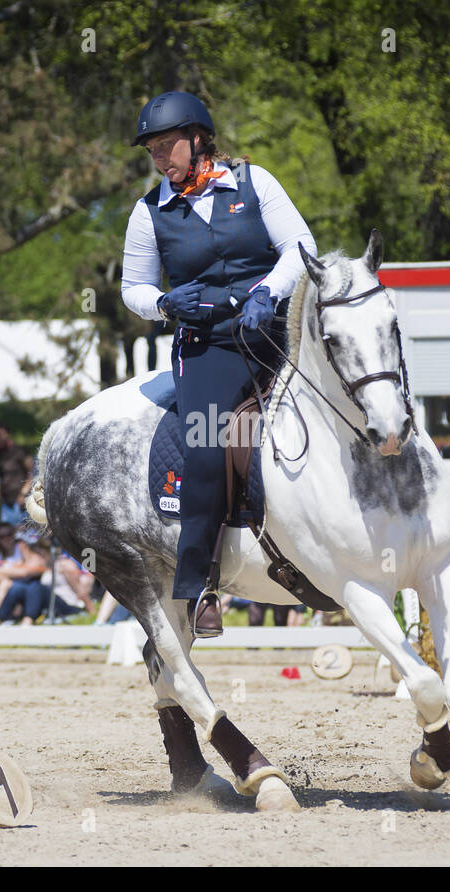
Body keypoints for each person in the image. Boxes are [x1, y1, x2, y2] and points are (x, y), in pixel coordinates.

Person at [121, 91, 316, 637]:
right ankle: (200, 582)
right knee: (206, 443)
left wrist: (269, 293)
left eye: (167, 145)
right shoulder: (149, 211)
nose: (161, 157)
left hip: (277, 330)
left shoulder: (257, 183)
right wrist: (163, 304)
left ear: (199, 137)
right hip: (209, 345)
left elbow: (300, 247)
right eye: (153, 151)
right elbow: (131, 287)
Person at [0, 423, 32, 527]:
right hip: (6, 503)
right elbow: (0, 477)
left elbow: (32, 474)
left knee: (24, 534)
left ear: (7, 434)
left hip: (21, 502)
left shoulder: (20, 451)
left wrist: (23, 494)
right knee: (7, 533)